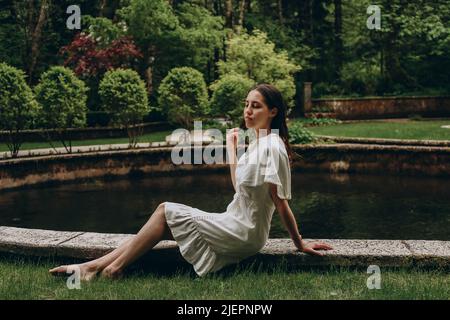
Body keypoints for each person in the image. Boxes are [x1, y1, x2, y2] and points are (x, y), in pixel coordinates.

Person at [49, 83, 333, 281]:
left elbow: (280, 202)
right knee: (162, 220)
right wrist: (232, 150)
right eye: (246, 105)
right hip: (233, 219)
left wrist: (299, 244)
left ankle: (109, 270)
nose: (248, 111)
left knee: (164, 211)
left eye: (256, 106)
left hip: (245, 232)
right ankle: (93, 267)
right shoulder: (258, 144)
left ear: (273, 112)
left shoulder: (273, 147)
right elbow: (239, 189)